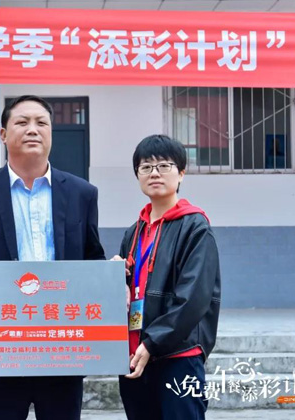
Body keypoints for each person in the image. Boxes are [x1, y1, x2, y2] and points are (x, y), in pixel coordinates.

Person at [0, 95, 106, 420]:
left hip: (62, 346)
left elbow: (93, 258)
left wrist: (115, 278)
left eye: (41, 123)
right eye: (22, 122)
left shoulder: (82, 193)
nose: (32, 129)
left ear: (51, 133)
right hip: (0, 347)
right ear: (3, 134)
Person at [112, 134, 221, 420]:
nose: (154, 173)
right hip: (134, 356)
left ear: (181, 173)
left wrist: (153, 342)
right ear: (137, 175)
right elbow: (129, 291)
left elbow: (194, 298)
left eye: (164, 166)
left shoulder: (195, 227)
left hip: (178, 355)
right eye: (146, 167)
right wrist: (115, 277)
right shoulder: (134, 232)